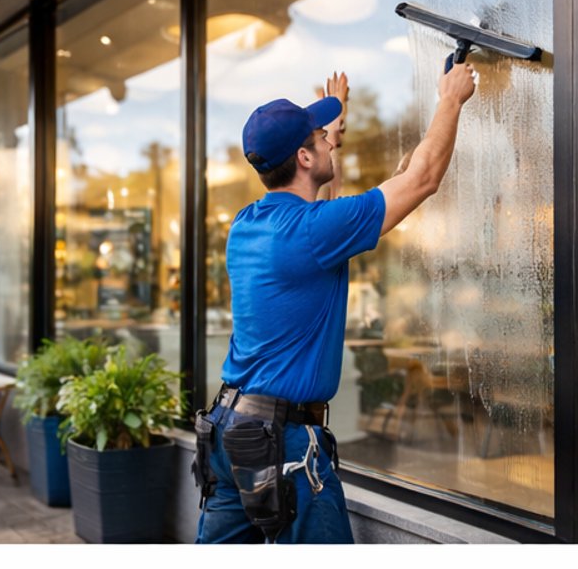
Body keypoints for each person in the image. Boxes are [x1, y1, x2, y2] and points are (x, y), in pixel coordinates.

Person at [195, 62, 477, 544]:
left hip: (229, 429)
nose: (329, 140)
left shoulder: (247, 224)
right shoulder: (312, 232)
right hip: (282, 444)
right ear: (303, 157)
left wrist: (335, 132)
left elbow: (325, 209)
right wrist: (450, 98)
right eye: (320, 138)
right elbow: (423, 178)